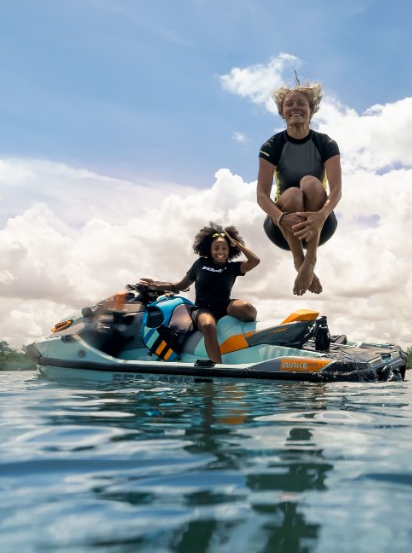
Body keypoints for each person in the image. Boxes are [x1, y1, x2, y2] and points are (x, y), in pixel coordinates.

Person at [257, 80, 342, 296]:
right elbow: (261, 196)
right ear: (282, 111)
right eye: (289, 104)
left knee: (310, 182)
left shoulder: (326, 143)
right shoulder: (272, 145)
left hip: (320, 225)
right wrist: (281, 217)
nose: (295, 107)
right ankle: (299, 260)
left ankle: (311, 258)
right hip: (282, 227)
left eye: (301, 103)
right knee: (293, 192)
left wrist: (322, 215)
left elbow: (336, 191)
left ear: (311, 110)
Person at [140, 223, 260, 364]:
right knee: (208, 326)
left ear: (229, 250)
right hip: (203, 308)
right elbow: (179, 286)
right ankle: (217, 366)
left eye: (224, 248)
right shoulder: (200, 264)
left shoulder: (233, 267)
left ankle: (251, 342)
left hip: (224, 305)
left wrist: (237, 244)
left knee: (247, 308)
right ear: (209, 249)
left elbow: (255, 261)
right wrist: (156, 285)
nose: (220, 251)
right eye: (216, 248)